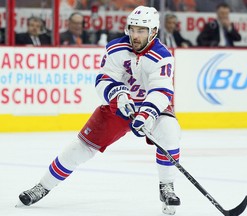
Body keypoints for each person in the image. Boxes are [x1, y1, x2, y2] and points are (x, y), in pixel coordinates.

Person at [17, 5, 181, 215]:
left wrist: (147, 114)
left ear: (153, 32)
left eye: (141, 31)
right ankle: (43, 186)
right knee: (80, 148)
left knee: (169, 132)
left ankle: (166, 186)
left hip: (151, 106)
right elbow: (104, 79)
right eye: (132, 29)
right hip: (119, 106)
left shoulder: (163, 56)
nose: (135, 35)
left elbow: (162, 89)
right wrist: (119, 95)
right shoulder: (115, 48)